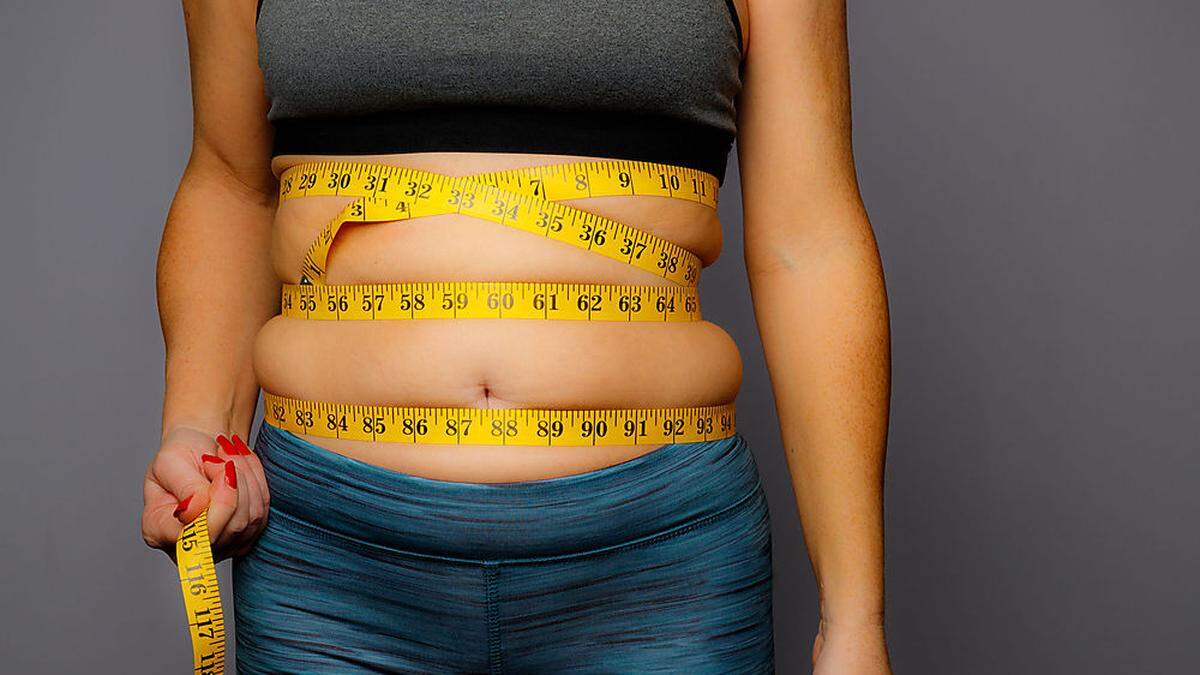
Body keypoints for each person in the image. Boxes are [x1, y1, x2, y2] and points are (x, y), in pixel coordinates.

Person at [141, 0, 891, 672]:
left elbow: (810, 236)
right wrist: (199, 428)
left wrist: (854, 618)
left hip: (661, 565)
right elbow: (230, 181)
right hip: (329, 568)